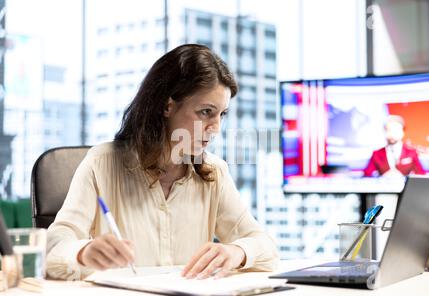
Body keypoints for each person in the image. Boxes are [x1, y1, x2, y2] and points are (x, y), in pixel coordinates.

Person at [46, 44, 279, 280]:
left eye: (222, 114)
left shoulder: (214, 172)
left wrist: (236, 251)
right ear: (167, 106)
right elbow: (56, 244)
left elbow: (266, 247)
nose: (216, 128)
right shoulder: (101, 164)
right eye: (206, 111)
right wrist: (83, 252)